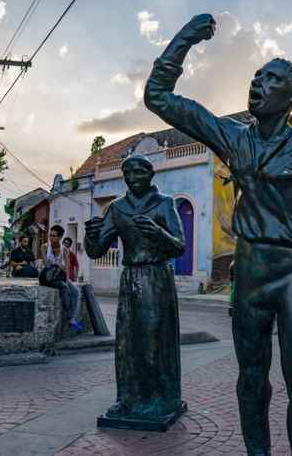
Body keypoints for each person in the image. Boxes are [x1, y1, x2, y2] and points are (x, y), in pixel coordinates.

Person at [145, 14, 292, 455]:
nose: (257, 84)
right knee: (250, 382)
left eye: (271, 79)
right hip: (251, 276)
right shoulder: (234, 138)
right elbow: (159, 97)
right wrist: (185, 38)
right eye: (257, 76)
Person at [85, 154, 186, 424]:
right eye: (127, 173)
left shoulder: (164, 204)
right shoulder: (118, 208)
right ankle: (128, 399)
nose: (131, 178)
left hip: (156, 277)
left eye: (138, 173)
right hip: (130, 278)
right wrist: (90, 234)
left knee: (154, 339)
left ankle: (159, 397)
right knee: (127, 342)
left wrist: (158, 233)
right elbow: (97, 251)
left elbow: (179, 245)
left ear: (150, 175)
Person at [41, 225, 82, 331]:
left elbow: (67, 268)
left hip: (60, 276)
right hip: (48, 277)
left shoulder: (65, 250)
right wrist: (58, 266)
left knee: (76, 291)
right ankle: (69, 316)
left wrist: (66, 278)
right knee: (64, 287)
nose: (51, 238)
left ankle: (72, 318)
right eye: (50, 235)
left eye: (54, 236)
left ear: (60, 237)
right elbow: (46, 265)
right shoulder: (45, 247)